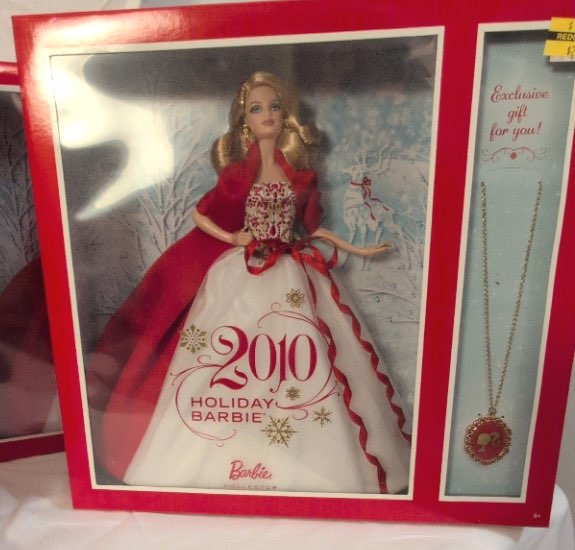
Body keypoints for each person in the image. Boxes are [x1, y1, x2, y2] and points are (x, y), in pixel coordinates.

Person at [89, 72, 411, 494]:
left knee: (303, 356)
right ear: (245, 122)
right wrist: (232, 238)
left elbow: (313, 229)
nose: (267, 115)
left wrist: (359, 248)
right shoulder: (237, 176)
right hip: (242, 268)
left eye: (274, 107)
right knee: (225, 354)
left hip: (292, 267)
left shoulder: (300, 177)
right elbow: (200, 214)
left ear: (286, 114)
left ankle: (312, 456)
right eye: (257, 109)